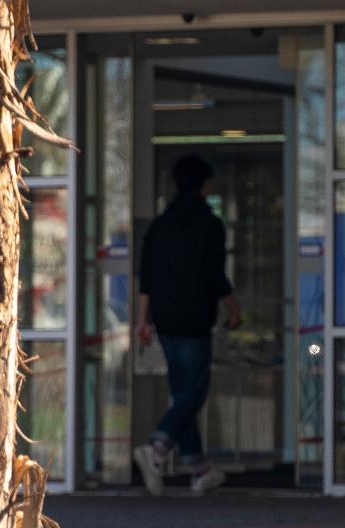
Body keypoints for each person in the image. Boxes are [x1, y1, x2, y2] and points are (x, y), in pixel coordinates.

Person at [133, 154, 243, 496]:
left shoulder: (159, 225)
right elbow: (214, 275)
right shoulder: (209, 224)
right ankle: (158, 446)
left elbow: (146, 277)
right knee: (193, 393)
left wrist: (143, 320)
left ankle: (199, 468)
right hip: (195, 318)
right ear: (204, 185)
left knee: (182, 393)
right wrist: (233, 308)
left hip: (164, 317)